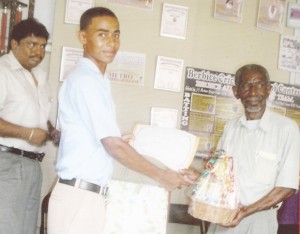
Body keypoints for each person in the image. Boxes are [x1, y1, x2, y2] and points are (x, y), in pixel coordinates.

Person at [47, 7, 196, 234]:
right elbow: (113, 145)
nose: (111, 42)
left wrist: (122, 143)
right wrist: (162, 176)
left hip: (88, 197)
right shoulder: (86, 81)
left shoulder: (97, 79)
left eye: (116, 34)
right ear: (83, 37)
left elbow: (106, 141)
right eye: (102, 34)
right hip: (79, 199)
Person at [207, 64, 300, 233]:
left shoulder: (287, 129)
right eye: (246, 85)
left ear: (269, 90)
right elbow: (216, 170)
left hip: (260, 221)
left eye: (259, 85)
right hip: (225, 217)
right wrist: (199, 175)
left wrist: (245, 212)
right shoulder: (231, 128)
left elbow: (287, 187)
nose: (253, 92)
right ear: (236, 92)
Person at [0, 18, 59, 234]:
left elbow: (39, 118)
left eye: (43, 46)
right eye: (32, 44)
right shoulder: (2, 71)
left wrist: (52, 131)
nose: (39, 52)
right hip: (6, 163)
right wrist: (27, 133)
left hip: (33, 166)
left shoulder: (41, 77)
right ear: (14, 44)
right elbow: (29, 129)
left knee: (25, 230)